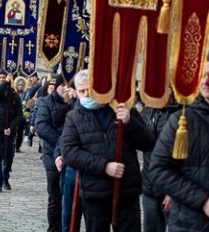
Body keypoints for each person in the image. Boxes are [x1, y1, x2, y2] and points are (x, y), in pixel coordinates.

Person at [61, 69, 151, 231]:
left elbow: (147, 142)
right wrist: (104, 166)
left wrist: (130, 122)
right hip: (95, 193)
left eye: (90, 89)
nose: (87, 94)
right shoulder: (74, 117)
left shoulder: (122, 108)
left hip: (126, 191)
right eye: (82, 91)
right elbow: (70, 153)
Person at [150, 54, 209, 230]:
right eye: (202, 75)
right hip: (189, 224)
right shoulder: (181, 120)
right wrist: (204, 201)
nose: (206, 81)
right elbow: (158, 170)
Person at [34, 75, 70, 232]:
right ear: (57, 86)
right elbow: (41, 127)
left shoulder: (75, 104)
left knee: (69, 197)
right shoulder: (45, 102)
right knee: (55, 196)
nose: (66, 88)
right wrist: (63, 142)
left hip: (72, 155)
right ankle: (54, 228)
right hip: (51, 155)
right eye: (63, 85)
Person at [140, 89, 179, 232]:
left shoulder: (181, 115)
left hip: (172, 190)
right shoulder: (146, 112)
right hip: (149, 188)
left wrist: (173, 191)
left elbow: (185, 159)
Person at [0, 70, 23, 192]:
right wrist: (6, 82)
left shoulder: (14, 95)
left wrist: (11, 128)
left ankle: (5, 178)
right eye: (0, 77)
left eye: (4, 77)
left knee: (9, 157)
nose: (2, 79)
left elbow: (20, 115)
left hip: (9, 130)